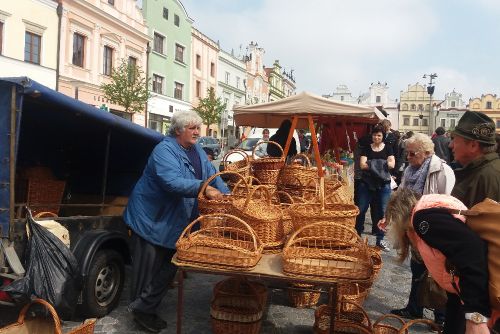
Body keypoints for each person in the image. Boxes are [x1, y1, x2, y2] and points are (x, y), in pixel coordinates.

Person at [124, 110, 229, 333]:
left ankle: (147, 306)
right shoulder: (164, 150)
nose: (197, 132)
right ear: (179, 130)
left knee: (169, 266)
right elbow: (170, 182)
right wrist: (202, 187)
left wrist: (228, 195)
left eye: (198, 128)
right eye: (192, 128)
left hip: (173, 220)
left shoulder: (197, 150)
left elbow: (212, 174)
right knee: (148, 269)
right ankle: (140, 312)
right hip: (152, 218)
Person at [385, 188, 491, 334]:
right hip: (463, 291)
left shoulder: (423, 219)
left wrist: (476, 316)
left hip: (475, 292)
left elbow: (471, 250)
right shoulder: (430, 209)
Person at [384, 133, 455, 324]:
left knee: (437, 273)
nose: (408, 157)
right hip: (413, 226)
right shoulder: (409, 170)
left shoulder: (442, 170)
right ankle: (414, 308)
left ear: (426, 152)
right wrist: (390, 217)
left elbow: (446, 200)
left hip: (433, 228)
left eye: (412, 153)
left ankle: (440, 317)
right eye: (407, 153)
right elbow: (401, 194)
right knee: (417, 270)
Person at [355, 124, 394, 251]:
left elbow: (392, 165)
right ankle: (357, 237)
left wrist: (371, 163)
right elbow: (362, 165)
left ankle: (380, 240)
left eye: (379, 135)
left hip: (383, 184)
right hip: (366, 183)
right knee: (361, 210)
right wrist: (383, 164)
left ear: (383, 136)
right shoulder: (367, 148)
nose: (376, 137)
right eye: (374, 135)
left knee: (382, 212)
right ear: (371, 136)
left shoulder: (388, 148)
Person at [449, 110, 500, 208]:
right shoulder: (483, 171)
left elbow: (484, 221)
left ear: (473, 146)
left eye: (455, 140)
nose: (450, 145)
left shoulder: (487, 176)